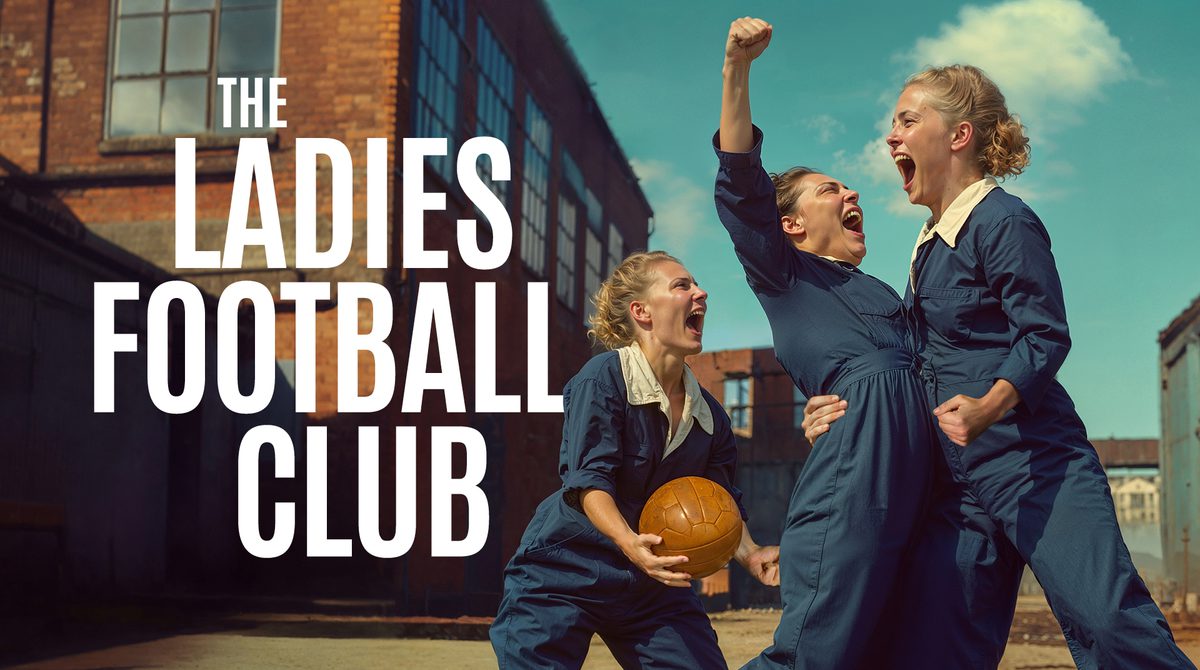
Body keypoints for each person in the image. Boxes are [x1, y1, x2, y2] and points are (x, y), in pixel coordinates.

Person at [803, 63, 1195, 668]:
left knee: (1109, 624)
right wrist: (833, 408)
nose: (891, 137)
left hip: (1033, 461)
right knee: (936, 646)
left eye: (908, 121)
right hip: (957, 485)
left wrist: (990, 405)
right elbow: (904, 362)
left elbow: (1045, 335)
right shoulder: (930, 242)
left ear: (958, 136)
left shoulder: (1002, 220)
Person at [714, 18, 934, 669]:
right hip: (856, 471)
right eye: (830, 189)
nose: (852, 191)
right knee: (818, 650)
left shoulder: (888, 295)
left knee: (889, 648)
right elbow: (739, 182)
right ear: (791, 224)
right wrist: (737, 68)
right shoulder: (785, 275)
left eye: (847, 185)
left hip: (917, 474)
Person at [489, 250, 780, 669]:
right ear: (641, 311)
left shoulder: (712, 418)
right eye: (682, 286)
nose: (702, 293)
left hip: (653, 585)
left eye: (697, 285)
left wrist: (750, 553)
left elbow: (719, 502)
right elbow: (589, 482)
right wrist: (629, 543)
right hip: (564, 570)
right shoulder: (603, 378)